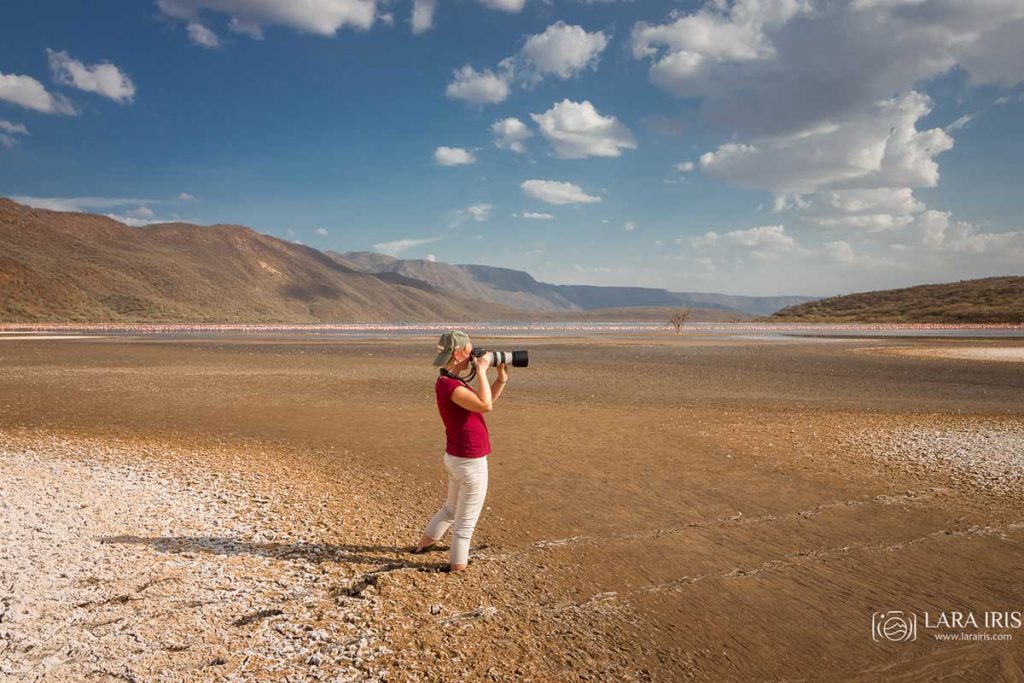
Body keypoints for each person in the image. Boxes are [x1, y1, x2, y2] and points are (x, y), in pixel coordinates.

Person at [411, 330, 510, 572]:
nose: (474, 356)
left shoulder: (448, 382)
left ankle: (421, 548)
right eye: (470, 352)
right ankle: (458, 569)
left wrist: (500, 378)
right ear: (457, 354)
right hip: (470, 461)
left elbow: (485, 403)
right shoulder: (451, 387)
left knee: (450, 509)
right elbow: (485, 406)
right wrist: (483, 371)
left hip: (457, 457)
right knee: (465, 524)